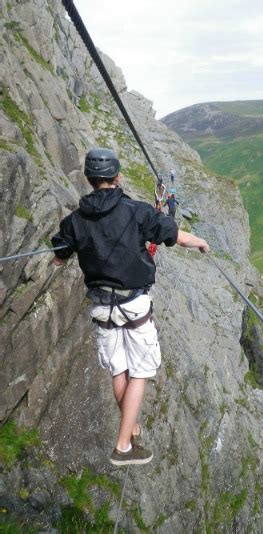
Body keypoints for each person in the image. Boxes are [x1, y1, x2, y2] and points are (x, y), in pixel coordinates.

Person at [51, 148, 209, 467]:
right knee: (142, 370)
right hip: (134, 305)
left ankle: (130, 425)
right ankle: (123, 445)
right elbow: (175, 235)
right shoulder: (137, 212)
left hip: (101, 309)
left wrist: (63, 253)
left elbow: (59, 252)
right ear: (117, 177)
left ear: (89, 180)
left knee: (118, 369)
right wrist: (202, 243)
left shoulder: (74, 221)